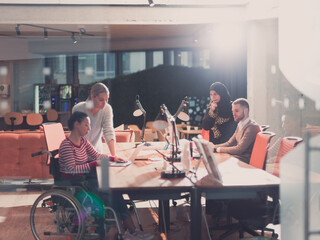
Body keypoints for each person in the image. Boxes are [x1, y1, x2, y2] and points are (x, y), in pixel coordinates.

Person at [59, 111, 154, 240]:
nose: (89, 128)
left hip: (86, 179)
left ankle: (131, 231)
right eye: (86, 125)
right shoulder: (66, 145)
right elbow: (71, 169)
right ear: (76, 124)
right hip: (76, 184)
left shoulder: (82, 141)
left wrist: (112, 158)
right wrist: (94, 164)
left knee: (115, 191)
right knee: (112, 192)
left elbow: (96, 155)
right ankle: (127, 232)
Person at [212, 98, 260, 164]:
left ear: (246, 111)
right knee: (214, 158)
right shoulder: (240, 124)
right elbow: (230, 143)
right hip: (237, 158)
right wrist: (213, 147)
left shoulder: (252, 127)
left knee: (216, 160)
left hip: (244, 162)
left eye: (236, 111)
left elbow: (239, 149)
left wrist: (218, 149)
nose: (233, 114)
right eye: (233, 111)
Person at [73, 82, 116, 156]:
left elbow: (108, 131)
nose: (105, 103)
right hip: (80, 156)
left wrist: (114, 156)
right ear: (92, 96)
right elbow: (79, 135)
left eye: (107, 100)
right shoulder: (78, 109)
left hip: (97, 154)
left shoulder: (107, 109)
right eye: (101, 100)